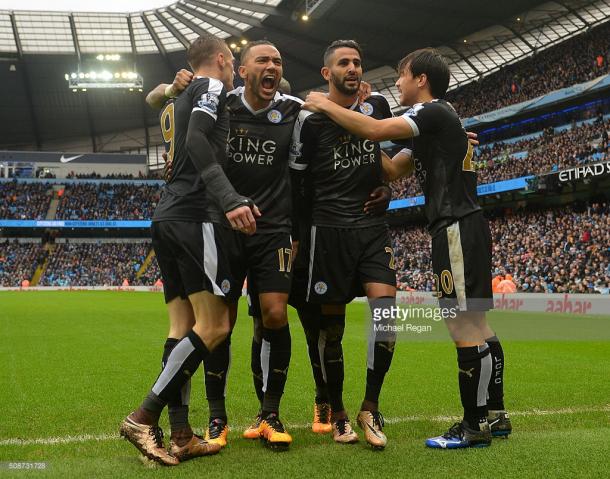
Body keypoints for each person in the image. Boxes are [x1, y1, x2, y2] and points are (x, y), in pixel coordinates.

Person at [302, 47, 511, 449]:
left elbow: (377, 131)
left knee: (462, 327)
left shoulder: (431, 112)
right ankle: (495, 415)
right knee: (479, 324)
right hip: (465, 225)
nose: (396, 83)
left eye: (401, 76)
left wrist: (325, 106)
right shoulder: (437, 123)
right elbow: (391, 166)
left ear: (420, 80)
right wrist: (357, 126)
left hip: (454, 227)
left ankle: (473, 426)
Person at [119, 33, 258, 466]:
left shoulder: (176, 99)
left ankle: (180, 433)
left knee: (181, 327)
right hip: (197, 215)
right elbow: (198, 142)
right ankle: (145, 417)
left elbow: (157, 100)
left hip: (167, 215)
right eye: (233, 61)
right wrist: (230, 197)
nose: (234, 69)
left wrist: (168, 87)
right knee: (214, 327)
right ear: (220, 58)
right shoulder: (211, 87)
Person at [290, 40, 398, 449]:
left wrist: (387, 191)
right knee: (330, 329)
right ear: (326, 73)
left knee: (386, 317)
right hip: (327, 231)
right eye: (343, 63)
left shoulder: (378, 106)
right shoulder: (309, 119)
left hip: (372, 229)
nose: (353, 68)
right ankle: (336, 413)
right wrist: (298, 235)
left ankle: (370, 407)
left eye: (357, 61)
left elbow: (391, 160)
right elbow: (297, 183)